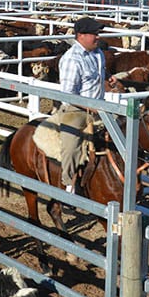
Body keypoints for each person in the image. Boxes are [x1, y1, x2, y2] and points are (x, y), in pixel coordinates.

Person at [56, 16, 107, 194]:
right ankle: (68, 183)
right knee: (71, 147)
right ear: (81, 36)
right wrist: (90, 107)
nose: (98, 36)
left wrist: (109, 80)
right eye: (94, 33)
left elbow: (96, 78)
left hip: (100, 107)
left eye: (98, 33)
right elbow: (68, 94)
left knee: (125, 132)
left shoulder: (98, 54)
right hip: (76, 110)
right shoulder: (72, 58)